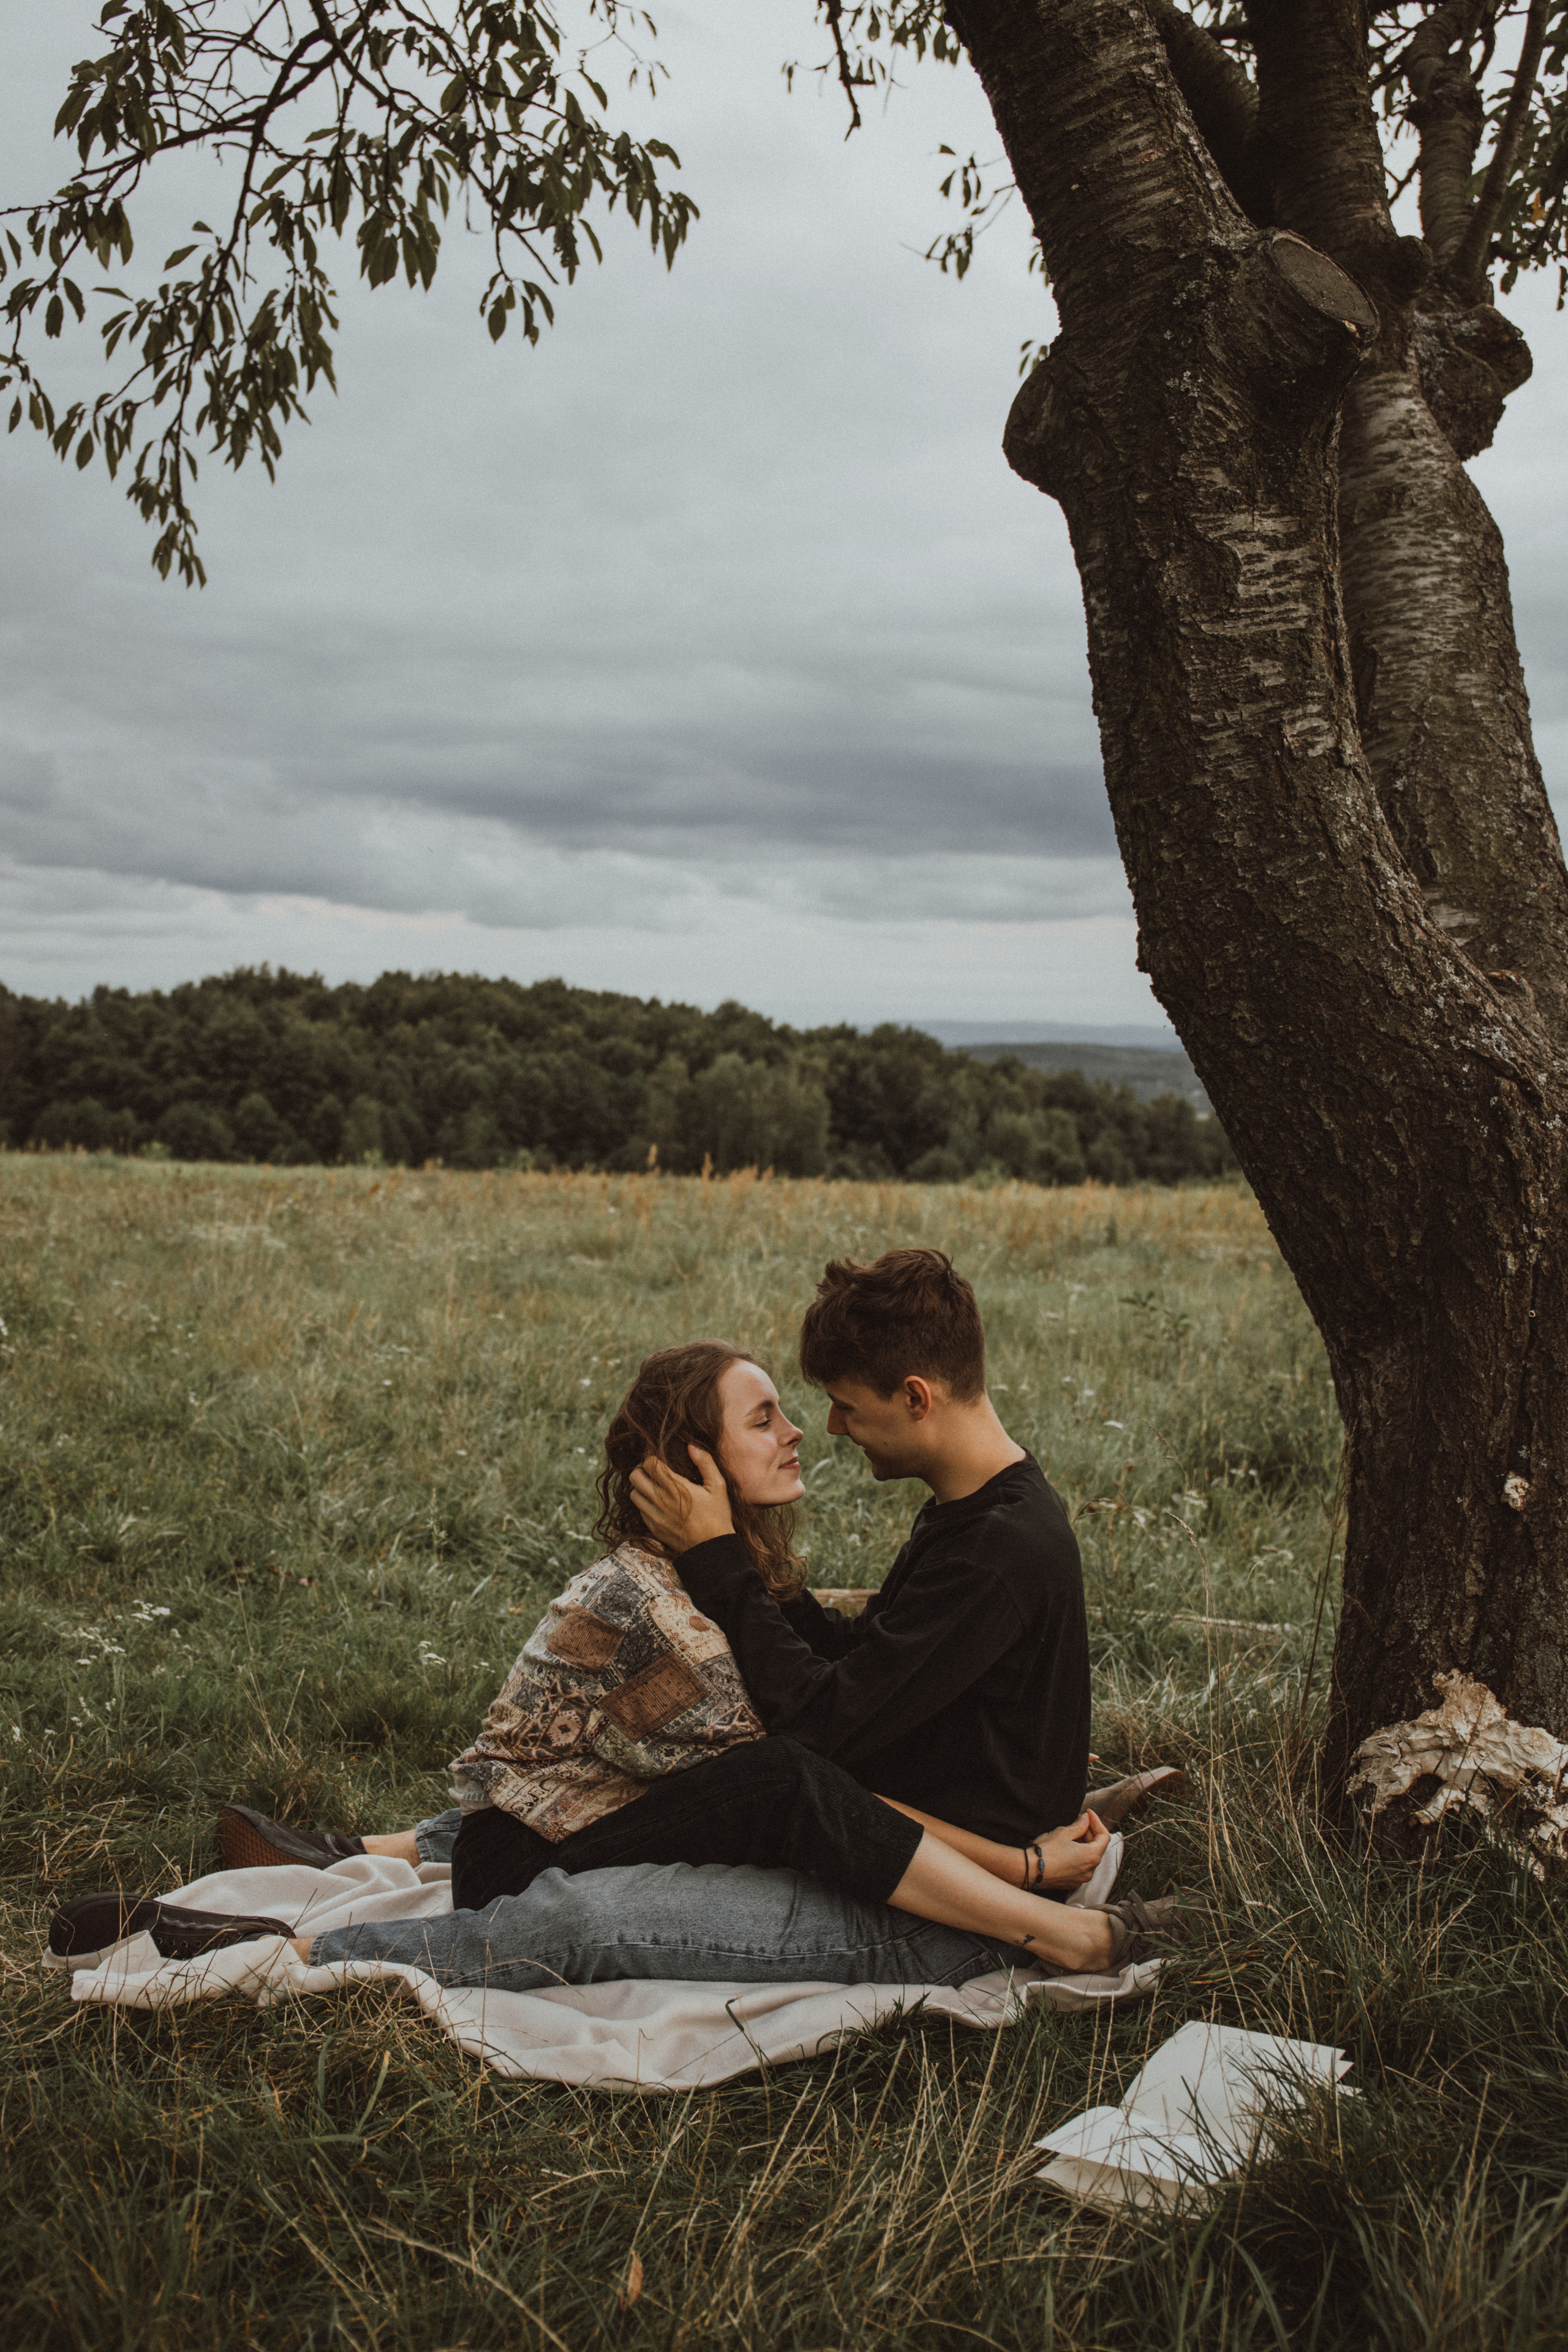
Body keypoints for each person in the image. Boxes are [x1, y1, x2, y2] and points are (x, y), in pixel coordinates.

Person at [48, 1266, 1190, 1981]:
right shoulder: (983, 1515)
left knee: (588, 1916)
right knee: (603, 1840)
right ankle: (302, 1895)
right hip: (905, 1853)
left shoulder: (995, 1545)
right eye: (791, 1412)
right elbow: (862, 1677)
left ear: (918, 1397)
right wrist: (751, 1576)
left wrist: (724, 1562)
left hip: (937, 1908)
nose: (827, 1431)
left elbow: (821, 1733)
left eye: (838, 1405)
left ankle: (278, 1948)